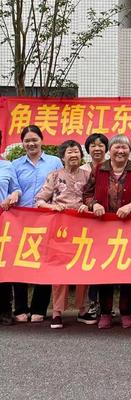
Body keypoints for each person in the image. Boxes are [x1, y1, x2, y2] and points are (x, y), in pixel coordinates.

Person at [83, 135, 131, 329]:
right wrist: (94, 204)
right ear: (110, 150)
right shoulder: (99, 170)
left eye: (124, 148)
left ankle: (125, 312)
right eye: (116, 148)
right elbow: (86, 194)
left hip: (129, 229)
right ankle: (105, 313)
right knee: (105, 271)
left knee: (126, 272)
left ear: (129, 151)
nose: (120, 151)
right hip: (103, 229)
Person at [35, 140, 96, 329]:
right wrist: (53, 206)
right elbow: (39, 201)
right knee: (58, 271)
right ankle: (57, 312)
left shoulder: (89, 176)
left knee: (82, 269)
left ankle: (83, 310)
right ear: (62, 157)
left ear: (81, 155)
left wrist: (89, 205)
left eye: (76, 152)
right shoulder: (54, 176)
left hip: (83, 230)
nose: (73, 155)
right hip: (59, 230)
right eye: (69, 152)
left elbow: (95, 199)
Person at [12, 125, 63, 323]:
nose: (31, 143)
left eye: (35, 139)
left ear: (42, 140)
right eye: (27, 140)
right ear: (22, 143)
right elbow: (12, 188)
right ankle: (21, 308)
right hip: (19, 221)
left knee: (45, 263)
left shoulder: (54, 162)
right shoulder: (15, 164)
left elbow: (61, 188)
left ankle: (39, 308)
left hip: (47, 220)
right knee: (19, 263)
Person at [80, 132, 109, 317]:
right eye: (93, 145)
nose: (97, 148)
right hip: (87, 225)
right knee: (90, 264)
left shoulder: (112, 166)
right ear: (88, 148)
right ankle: (91, 303)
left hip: (109, 224)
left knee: (108, 263)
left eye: (100, 145)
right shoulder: (82, 169)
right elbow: (83, 194)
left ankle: (106, 307)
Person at [0, 132, 22, 326]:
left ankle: (5, 310)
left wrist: (13, 194)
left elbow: (16, 188)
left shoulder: (7, 165)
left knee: (3, 268)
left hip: (2, 222)